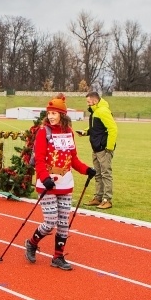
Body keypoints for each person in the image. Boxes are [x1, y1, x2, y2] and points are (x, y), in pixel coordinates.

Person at [24, 93, 95, 271]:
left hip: (65, 183)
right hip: (47, 184)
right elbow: (39, 159)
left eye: (54, 113)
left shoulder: (68, 132)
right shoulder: (43, 132)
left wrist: (86, 170)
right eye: (49, 113)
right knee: (50, 222)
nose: (50, 116)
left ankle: (58, 257)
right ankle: (32, 243)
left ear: (62, 115)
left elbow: (73, 159)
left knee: (63, 223)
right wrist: (44, 178)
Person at [77, 91, 117, 209]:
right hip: (96, 148)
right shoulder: (95, 111)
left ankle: (107, 200)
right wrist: (85, 132)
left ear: (95, 101)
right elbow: (95, 128)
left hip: (104, 149)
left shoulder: (103, 111)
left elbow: (113, 129)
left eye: (88, 101)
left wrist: (109, 148)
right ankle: (98, 198)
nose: (87, 104)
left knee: (105, 174)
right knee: (98, 174)